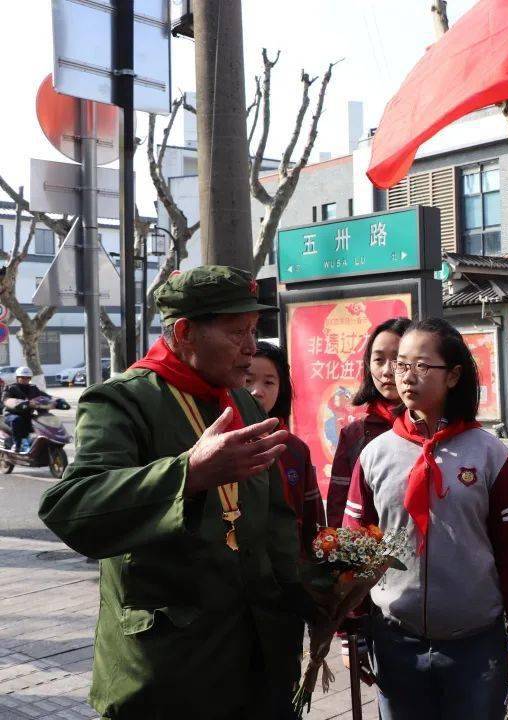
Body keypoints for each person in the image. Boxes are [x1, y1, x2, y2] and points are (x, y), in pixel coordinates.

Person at [38, 266, 310, 719]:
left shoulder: (240, 401)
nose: (251, 348)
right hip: (169, 668)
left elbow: (276, 520)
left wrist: (310, 600)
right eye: (235, 332)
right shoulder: (123, 401)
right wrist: (189, 474)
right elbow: (72, 508)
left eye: (254, 330)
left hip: (259, 659)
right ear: (184, 333)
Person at [342, 318, 508, 720]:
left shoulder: (489, 455)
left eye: (421, 366)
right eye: (400, 365)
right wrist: (352, 632)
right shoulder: (375, 455)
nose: (406, 376)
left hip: (475, 644)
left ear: (453, 376)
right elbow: (354, 551)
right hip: (396, 641)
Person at [326, 317, 411, 528]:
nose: (387, 371)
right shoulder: (354, 434)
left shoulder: (437, 428)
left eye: (398, 360)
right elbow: (339, 510)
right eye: (379, 360)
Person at [246, 341, 325, 554]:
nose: (257, 391)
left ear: (281, 389)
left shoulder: (295, 448)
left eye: (269, 382)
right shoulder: (223, 442)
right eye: (248, 380)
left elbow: (314, 521)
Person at [3, 366, 57, 453]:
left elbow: (44, 396)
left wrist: (56, 400)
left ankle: (45, 442)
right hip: (11, 414)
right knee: (17, 420)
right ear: (17, 378)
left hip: (27, 414)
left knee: (44, 419)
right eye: (22, 377)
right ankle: (18, 445)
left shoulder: (33, 388)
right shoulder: (10, 388)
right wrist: (18, 403)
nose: (25, 379)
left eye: (27, 377)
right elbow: (5, 399)